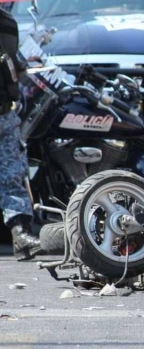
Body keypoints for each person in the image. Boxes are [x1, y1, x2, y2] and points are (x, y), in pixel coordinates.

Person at [0, 8, 41, 261]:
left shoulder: (6, 23)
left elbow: (15, 62)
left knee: (13, 176)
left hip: (4, 116)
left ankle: (21, 237)